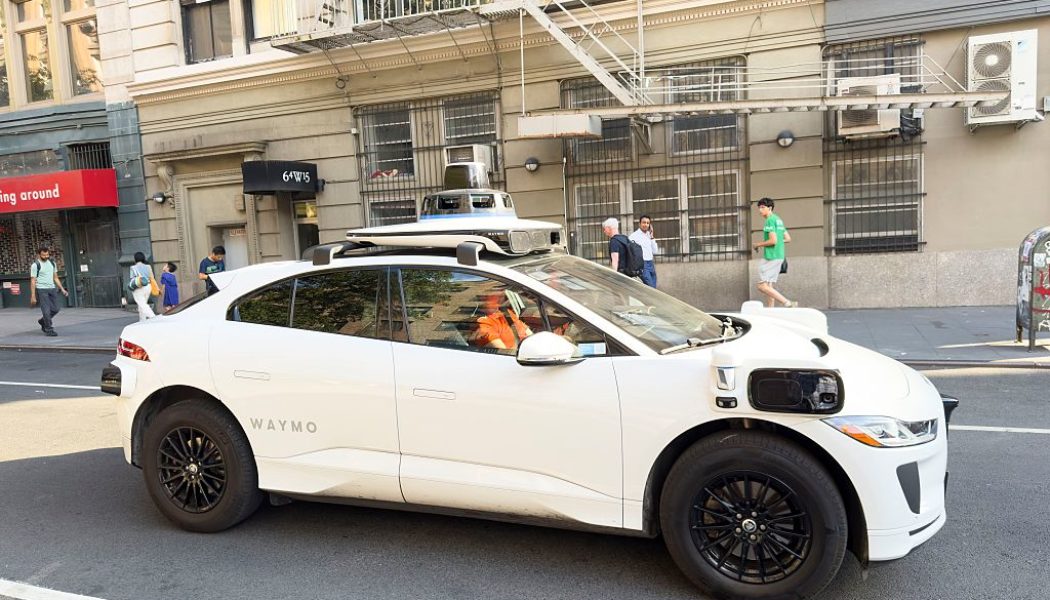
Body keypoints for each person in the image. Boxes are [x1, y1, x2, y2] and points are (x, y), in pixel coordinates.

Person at [753, 197, 798, 308]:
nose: (760, 210)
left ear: (770, 208)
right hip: (778, 255)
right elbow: (788, 238)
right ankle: (770, 310)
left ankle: (787, 303)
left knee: (762, 286)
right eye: (759, 208)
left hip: (771, 256)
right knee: (769, 285)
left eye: (763, 207)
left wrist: (758, 244)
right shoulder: (778, 220)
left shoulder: (769, 220)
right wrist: (778, 241)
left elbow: (773, 241)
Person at [29, 246, 69, 337]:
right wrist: (33, 296)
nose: (46, 256)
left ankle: (43, 321)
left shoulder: (52, 263)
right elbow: (33, 280)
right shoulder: (35, 265)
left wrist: (62, 289)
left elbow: (55, 277)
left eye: (47, 254)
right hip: (41, 290)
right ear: (38, 255)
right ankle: (49, 329)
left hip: (52, 289)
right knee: (46, 311)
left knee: (56, 309)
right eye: (44, 255)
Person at [629, 215, 659, 288]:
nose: (646, 224)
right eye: (644, 222)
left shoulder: (649, 235)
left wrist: (652, 237)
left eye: (648, 223)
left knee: (653, 287)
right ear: (639, 224)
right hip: (643, 265)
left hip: (651, 264)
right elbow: (629, 251)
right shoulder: (634, 236)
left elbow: (655, 251)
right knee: (650, 287)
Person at [129, 252, 156, 321]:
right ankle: (142, 321)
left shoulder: (133, 268)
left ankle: (153, 317)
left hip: (139, 287)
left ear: (135, 259)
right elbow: (152, 277)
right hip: (148, 286)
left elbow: (132, 279)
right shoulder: (148, 266)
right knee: (142, 305)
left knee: (142, 304)